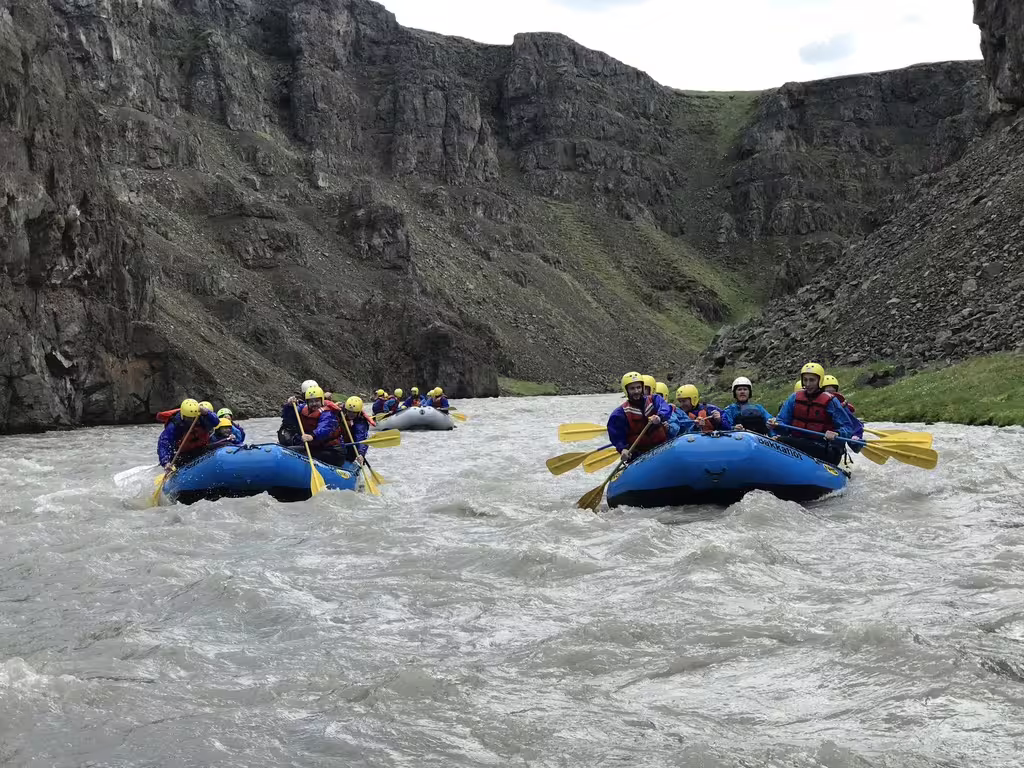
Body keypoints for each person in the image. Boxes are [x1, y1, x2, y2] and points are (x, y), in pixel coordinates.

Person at [771, 362, 856, 465]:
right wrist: (775, 425)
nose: (807, 384)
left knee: (782, 440)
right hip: (798, 442)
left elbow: (848, 427)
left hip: (824, 448)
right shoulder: (794, 398)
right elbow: (782, 421)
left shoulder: (831, 401)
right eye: (805, 380)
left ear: (819, 381)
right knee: (780, 439)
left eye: (812, 380)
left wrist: (837, 433)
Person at [607, 371, 672, 463]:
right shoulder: (620, 414)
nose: (636, 391)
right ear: (626, 390)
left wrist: (659, 417)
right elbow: (617, 436)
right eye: (632, 388)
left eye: (638, 387)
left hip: (662, 448)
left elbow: (665, 408)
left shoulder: (654, 399)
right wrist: (623, 449)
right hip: (639, 456)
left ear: (642, 387)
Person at [156, 398, 219, 468]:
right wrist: (165, 462)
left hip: (202, 449)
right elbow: (164, 443)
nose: (191, 421)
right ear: (182, 415)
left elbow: (216, 422)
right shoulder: (175, 425)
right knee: (180, 460)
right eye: (188, 418)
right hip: (183, 455)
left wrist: (207, 413)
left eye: (193, 418)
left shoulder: (201, 417)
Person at [822, 374, 865, 450]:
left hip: (834, 443)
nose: (830, 395)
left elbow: (853, 425)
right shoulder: (816, 403)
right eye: (827, 392)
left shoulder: (841, 407)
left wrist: (855, 437)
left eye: (832, 392)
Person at [337, 396, 373, 465]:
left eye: (354, 412)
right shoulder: (340, 414)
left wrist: (361, 454)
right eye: (349, 412)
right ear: (346, 410)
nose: (351, 414)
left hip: (352, 448)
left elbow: (361, 438)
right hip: (340, 446)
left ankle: (357, 458)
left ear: (359, 412)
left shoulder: (361, 423)